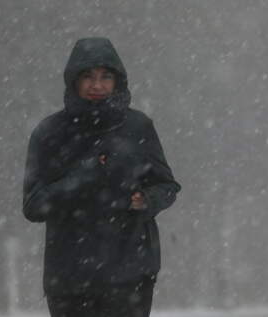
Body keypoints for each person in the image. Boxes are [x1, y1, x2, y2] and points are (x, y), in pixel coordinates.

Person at [22, 37, 181, 317]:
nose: (97, 85)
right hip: (70, 280)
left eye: (105, 76)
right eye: (88, 77)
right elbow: (34, 205)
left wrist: (146, 200)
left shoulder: (137, 127)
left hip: (130, 274)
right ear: (74, 81)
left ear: (117, 80)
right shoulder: (50, 133)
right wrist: (84, 175)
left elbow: (167, 185)